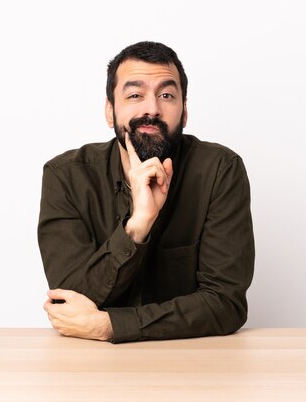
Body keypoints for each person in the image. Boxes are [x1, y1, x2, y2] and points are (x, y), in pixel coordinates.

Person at [38, 41, 254, 343]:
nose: (152, 109)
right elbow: (70, 302)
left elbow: (225, 304)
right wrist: (137, 226)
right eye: (135, 95)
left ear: (185, 111)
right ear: (110, 111)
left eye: (166, 95)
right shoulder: (66, 177)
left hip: (193, 364)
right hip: (91, 367)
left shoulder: (220, 170)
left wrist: (110, 325)